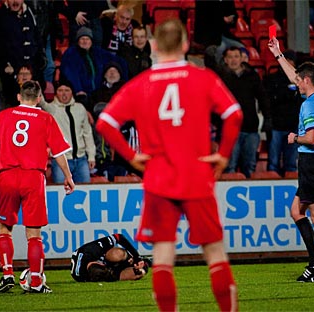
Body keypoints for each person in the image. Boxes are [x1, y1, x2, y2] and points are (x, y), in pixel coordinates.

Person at [96, 19, 241, 311]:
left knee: (163, 256)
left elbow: (105, 122)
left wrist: (131, 155)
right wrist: (223, 154)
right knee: (214, 253)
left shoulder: (141, 83)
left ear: (154, 46)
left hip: (159, 179)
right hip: (197, 175)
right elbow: (234, 114)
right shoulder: (203, 78)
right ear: (186, 45)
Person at [0, 80, 75, 294]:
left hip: (7, 176)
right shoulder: (46, 118)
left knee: (5, 229)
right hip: (33, 177)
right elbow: (59, 152)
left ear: (19, 97)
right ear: (39, 98)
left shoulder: (3, 116)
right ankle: (36, 282)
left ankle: (6, 275)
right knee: (34, 234)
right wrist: (68, 176)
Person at [268, 37, 314, 283]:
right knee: (296, 211)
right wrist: (278, 54)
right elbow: (294, 75)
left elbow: (312, 138)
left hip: (313, 161)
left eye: (298, 79)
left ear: (306, 81)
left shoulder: (309, 107)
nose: (294, 82)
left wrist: (295, 138)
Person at [213, 46, 271, 178]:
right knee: (230, 166)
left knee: (250, 166)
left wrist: (268, 118)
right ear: (225, 60)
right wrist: (218, 123)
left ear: (242, 58)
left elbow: (262, 97)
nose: (233, 60)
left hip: (250, 128)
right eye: (230, 57)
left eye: (236, 56)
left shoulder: (252, 76)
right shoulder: (220, 78)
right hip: (229, 130)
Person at [59, 25, 128, 113]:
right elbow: (71, 73)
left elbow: (121, 61)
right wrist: (78, 90)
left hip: (97, 93)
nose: (85, 41)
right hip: (81, 94)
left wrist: (124, 81)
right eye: (82, 39)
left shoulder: (98, 52)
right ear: (78, 41)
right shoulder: (71, 53)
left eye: (87, 39)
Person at [39, 79, 96, 184]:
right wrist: (36, 86)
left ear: (72, 92)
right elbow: (42, 102)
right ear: (56, 93)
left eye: (67, 90)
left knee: (86, 192)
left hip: (81, 159)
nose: (64, 93)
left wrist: (91, 156)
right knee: (62, 192)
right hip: (61, 160)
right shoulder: (52, 109)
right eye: (60, 90)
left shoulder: (80, 108)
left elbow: (87, 134)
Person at [264, 49, 303, 176]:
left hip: (294, 125)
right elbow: (268, 99)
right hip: (276, 125)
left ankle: (291, 185)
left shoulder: (300, 81)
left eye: (291, 61)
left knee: (291, 163)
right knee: (273, 162)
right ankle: (271, 184)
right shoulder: (271, 79)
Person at [71, 233, 151, 282]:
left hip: (111, 257)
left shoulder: (92, 250)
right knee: (138, 273)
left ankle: (136, 261)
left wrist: (137, 257)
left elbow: (119, 237)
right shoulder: (82, 277)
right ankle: (142, 268)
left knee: (117, 254)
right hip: (110, 272)